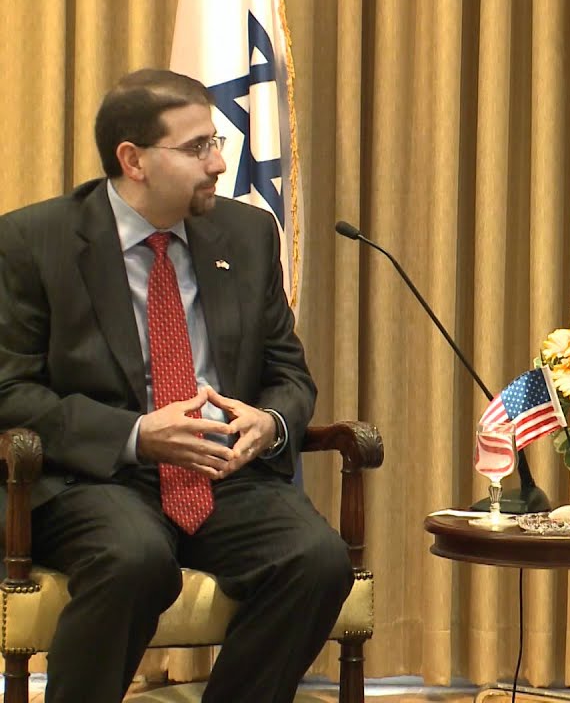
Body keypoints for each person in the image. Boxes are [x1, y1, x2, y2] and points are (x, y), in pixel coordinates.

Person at [0, 69, 352, 702]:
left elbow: (289, 373)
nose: (219, 162)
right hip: (96, 477)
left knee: (318, 560)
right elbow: (9, 394)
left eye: (214, 141)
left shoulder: (246, 236)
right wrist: (137, 434)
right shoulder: (32, 242)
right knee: (135, 560)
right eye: (197, 148)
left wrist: (268, 423)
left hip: (221, 473)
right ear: (132, 160)